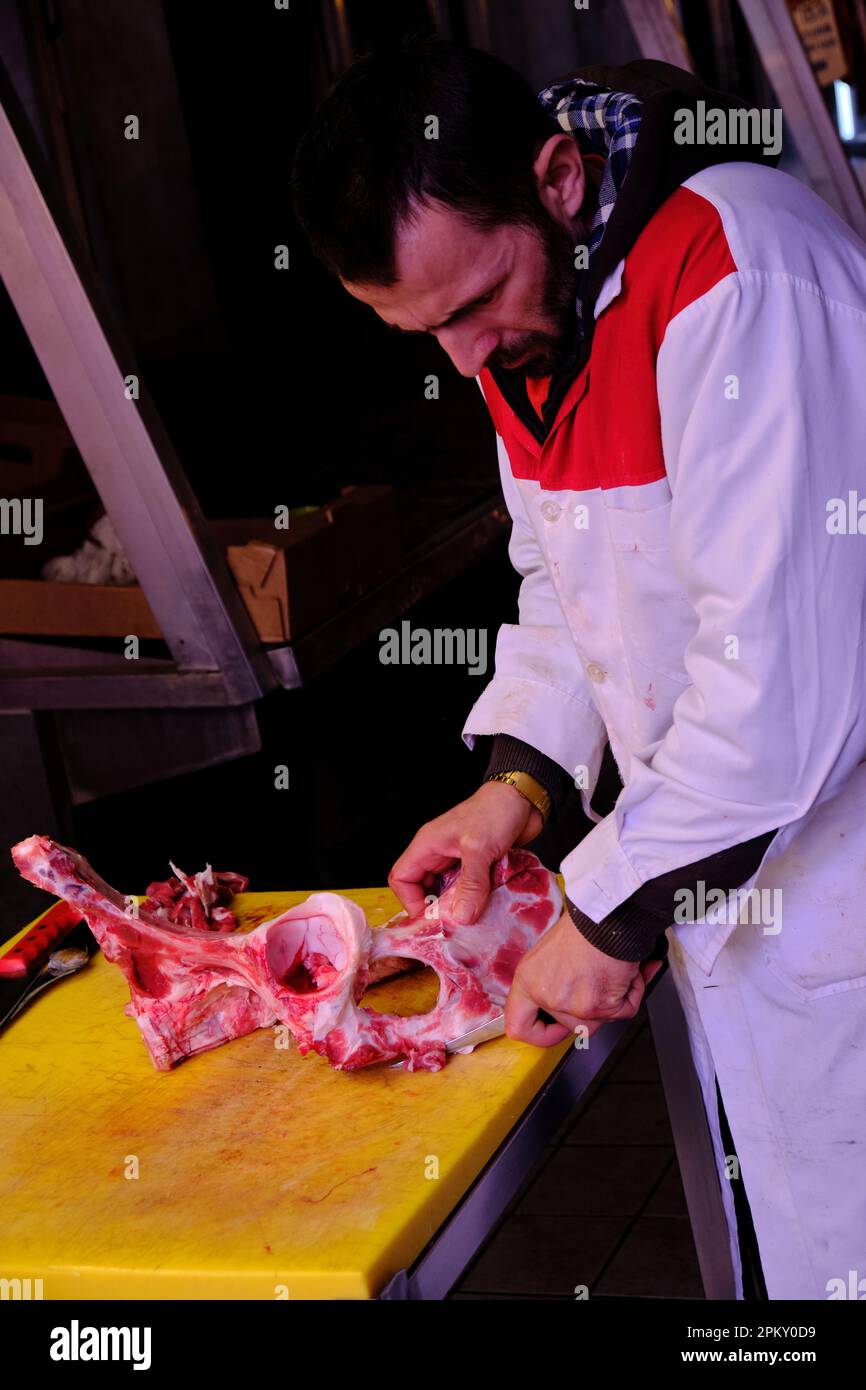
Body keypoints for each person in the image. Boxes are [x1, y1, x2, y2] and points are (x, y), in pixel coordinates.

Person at [293, 36, 866, 1300]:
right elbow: (569, 580)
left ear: (556, 176)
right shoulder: (529, 319)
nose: (461, 359)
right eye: (421, 331)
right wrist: (515, 784)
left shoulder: (734, 273)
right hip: (747, 888)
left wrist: (603, 908)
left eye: (466, 305)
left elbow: (777, 684)